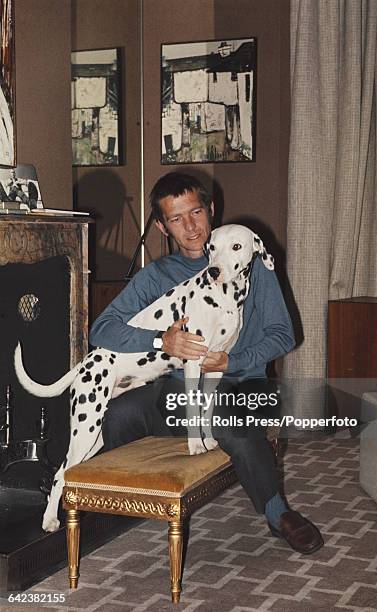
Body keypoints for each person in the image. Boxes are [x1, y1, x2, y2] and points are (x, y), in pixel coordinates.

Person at [90, 172, 324, 555]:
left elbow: (284, 335)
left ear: (211, 210)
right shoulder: (157, 276)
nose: (191, 226)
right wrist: (161, 340)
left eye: (196, 211)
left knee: (229, 418)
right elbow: (102, 329)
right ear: (164, 227)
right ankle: (124, 505)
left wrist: (232, 360)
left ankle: (278, 512)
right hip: (178, 391)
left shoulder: (250, 261)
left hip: (241, 384)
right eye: (176, 218)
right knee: (116, 414)